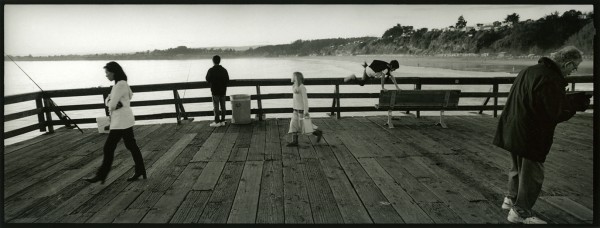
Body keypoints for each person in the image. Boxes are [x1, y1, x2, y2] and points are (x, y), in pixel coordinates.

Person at [493, 46, 590, 224]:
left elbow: (538, 100)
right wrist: (575, 104)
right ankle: (520, 212)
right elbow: (555, 112)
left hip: (512, 127)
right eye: (574, 67)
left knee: (516, 168)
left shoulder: (530, 70)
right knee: (533, 174)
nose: (573, 71)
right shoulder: (551, 78)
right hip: (531, 133)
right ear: (567, 63)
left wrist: (566, 100)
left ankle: (511, 199)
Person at [84, 61, 146, 184]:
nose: (106, 75)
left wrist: (110, 101)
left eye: (107, 72)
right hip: (124, 120)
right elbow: (129, 95)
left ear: (113, 72)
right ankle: (140, 170)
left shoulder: (119, 85)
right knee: (131, 146)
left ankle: (101, 175)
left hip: (120, 122)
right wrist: (112, 101)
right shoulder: (121, 84)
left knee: (109, 148)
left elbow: (111, 104)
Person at [286, 72, 323, 147]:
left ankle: (318, 132)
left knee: (306, 127)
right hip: (295, 110)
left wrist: (306, 111)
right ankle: (294, 141)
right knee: (293, 125)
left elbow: (305, 100)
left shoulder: (302, 87)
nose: (291, 78)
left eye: (292, 77)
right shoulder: (294, 87)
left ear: (296, 78)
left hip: (301, 111)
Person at [206, 55, 230, 127]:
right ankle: (223, 120)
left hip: (215, 91)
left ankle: (217, 121)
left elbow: (207, 79)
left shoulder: (211, 70)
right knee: (223, 106)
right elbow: (227, 80)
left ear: (213, 61)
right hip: (223, 91)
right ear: (220, 61)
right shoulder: (224, 70)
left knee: (216, 107)